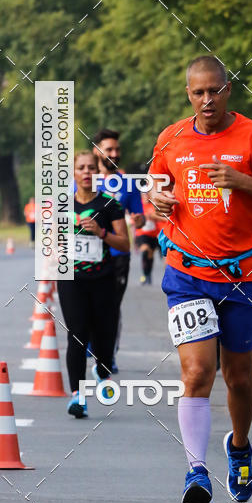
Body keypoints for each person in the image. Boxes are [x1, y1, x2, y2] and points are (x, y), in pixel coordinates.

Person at [150, 54, 252, 503]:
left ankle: (239, 445)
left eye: (214, 90)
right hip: (187, 273)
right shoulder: (171, 137)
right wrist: (157, 198)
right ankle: (196, 471)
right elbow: (156, 184)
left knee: (239, 377)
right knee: (197, 373)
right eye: (198, 92)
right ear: (188, 94)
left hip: (243, 276)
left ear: (228, 89)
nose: (207, 99)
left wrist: (241, 181)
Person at [59, 151, 129, 418]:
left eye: (91, 168)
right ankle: (78, 396)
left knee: (104, 335)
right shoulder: (63, 205)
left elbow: (125, 243)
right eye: (81, 168)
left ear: (98, 173)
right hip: (71, 280)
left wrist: (101, 232)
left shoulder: (109, 204)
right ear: (73, 173)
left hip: (103, 279)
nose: (86, 172)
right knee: (76, 334)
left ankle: (102, 368)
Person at [91, 128, 145, 372]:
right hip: (88, 255)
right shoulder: (84, 181)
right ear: (97, 151)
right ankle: (91, 342)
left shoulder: (128, 184)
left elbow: (139, 217)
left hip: (118, 255)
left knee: (111, 307)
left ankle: (108, 354)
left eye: (117, 149)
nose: (114, 153)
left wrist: (139, 220)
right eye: (108, 149)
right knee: (89, 306)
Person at [134, 193, 164, 284]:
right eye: (144, 195)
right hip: (142, 234)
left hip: (153, 235)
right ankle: (144, 275)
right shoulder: (138, 206)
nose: (146, 196)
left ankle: (148, 275)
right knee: (145, 251)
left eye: (147, 194)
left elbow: (163, 218)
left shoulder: (154, 205)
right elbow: (133, 221)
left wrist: (152, 216)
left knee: (150, 256)